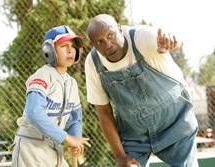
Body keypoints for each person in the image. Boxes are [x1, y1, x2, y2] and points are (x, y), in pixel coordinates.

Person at [85, 14, 199, 167]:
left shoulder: (141, 37)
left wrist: (173, 41)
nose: (107, 44)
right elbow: (104, 112)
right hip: (134, 134)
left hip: (176, 122)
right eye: (100, 42)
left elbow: (170, 41)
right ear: (94, 45)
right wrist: (120, 156)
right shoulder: (94, 63)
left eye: (110, 35)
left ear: (120, 29)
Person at [10, 25, 91, 167]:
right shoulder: (43, 75)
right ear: (49, 50)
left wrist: (75, 140)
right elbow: (34, 113)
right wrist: (66, 138)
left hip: (54, 147)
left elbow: (75, 119)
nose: (70, 50)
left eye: (73, 46)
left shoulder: (72, 83)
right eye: (63, 45)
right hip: (31, 147)